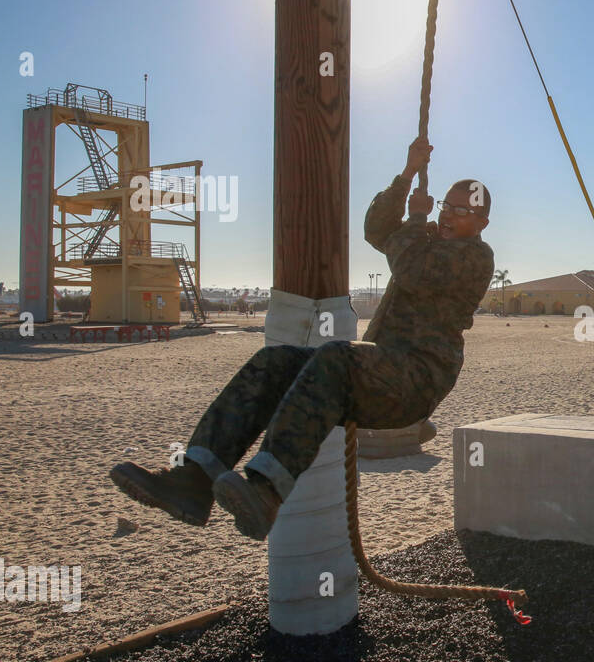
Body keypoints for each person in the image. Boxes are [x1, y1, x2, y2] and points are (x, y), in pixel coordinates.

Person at [109, 137, 495, 540]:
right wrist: (406, 174)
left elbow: (413, 268)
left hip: (415, 379)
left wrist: (417, 220)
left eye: (463, 211)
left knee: (335, 357)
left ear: (482, 222)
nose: (449, 215)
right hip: (379, 370)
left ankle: (268, 490)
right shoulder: (426, 239)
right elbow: (377, 229)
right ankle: (193, 480)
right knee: (275, 362)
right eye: (446, 206)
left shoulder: (475, 258)